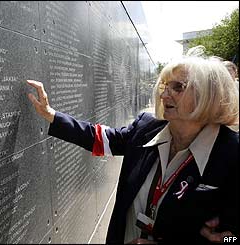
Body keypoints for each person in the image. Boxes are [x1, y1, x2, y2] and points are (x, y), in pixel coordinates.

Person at [26, 52, 239, 243]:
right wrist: (51, 114)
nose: (164, 96)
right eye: (166, 86)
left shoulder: (232, 153)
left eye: (178, 87)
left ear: (208, 95)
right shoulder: (147, 127)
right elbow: (102, 139)